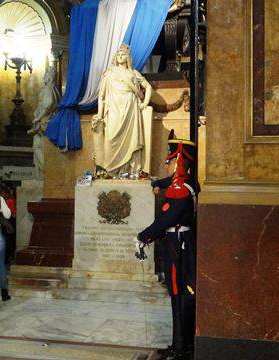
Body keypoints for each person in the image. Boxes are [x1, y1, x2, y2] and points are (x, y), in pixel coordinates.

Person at [135, 130, 198, 360]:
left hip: (178, 245)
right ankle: (177, 344)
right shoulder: (183, 183)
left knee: (180, 295)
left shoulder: (180, 189)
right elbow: (168, 182)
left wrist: (143, 236)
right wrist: (155, 182)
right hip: (179, 243)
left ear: (179, 161)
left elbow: (165, 220)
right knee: (176, 295)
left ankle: (182, 349)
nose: (168, 163)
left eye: (171, 160)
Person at [92, 43, 152, 178]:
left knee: (131, 140)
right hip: (113, 109)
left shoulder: (133, 73)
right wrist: (100, 114)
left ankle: (128, 170)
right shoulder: (109, 73)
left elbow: (148, 88)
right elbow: (101, 97)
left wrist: (145, 103)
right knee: (111, 137)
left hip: (130, 110)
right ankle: (109, 171)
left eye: (123, 54)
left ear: (128, 57)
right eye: (118, 54)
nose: (120, 56)